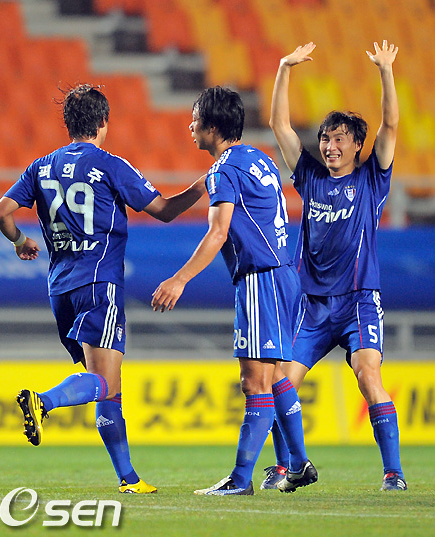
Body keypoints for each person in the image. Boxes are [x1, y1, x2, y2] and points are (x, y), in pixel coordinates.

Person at [0, 83, 207, 494]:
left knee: (108, 386)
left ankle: (129, 479)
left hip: (60, 289)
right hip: (99, 283)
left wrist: (20, 241)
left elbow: (1, 212)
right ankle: (42, 402)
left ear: (68, 123)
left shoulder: (41, 166)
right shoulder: (110, 165)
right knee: (103, 383)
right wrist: (201, 186)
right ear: (104, 122)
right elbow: (164, 211)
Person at [151, 86, 317, 495]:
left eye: (195, 119)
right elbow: (216, 192)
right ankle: (298, 463)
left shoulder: (223, 171)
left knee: (254, 382)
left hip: (260, 279)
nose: (190, 125)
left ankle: (241, 479)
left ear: (211, 126)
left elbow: (218, 231)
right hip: (284, 275)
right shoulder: (258, 158)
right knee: (275, 377)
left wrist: (179, 279)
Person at [263, 40, 406, 492]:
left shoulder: (371, 180)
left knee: (368, 376)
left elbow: (392, 123)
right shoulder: (309, 176)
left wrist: (385, 70)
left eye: (339, 138)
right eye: (325, 138)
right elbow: (279, 125)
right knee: (278, 382)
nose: (329, 146)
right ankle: (290, 466)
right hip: (312, 306)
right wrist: (285, 68)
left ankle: (393, 473)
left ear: (358, 145)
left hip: (358, 303)